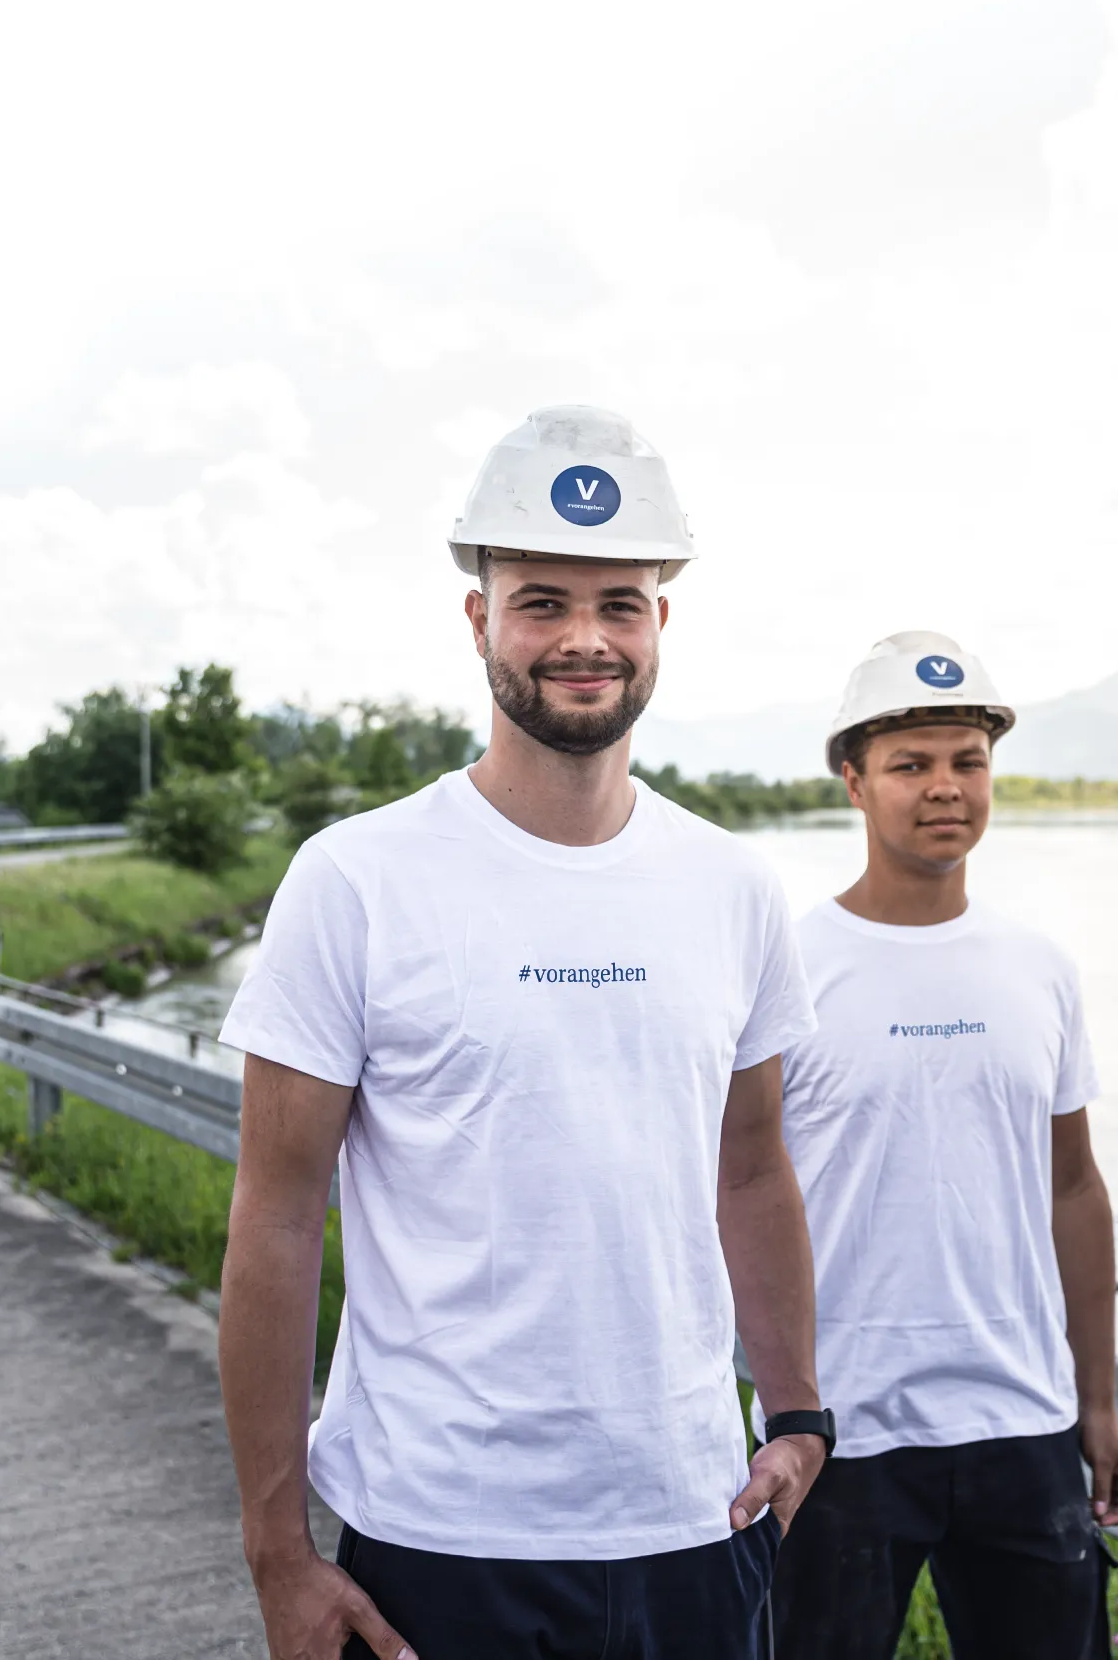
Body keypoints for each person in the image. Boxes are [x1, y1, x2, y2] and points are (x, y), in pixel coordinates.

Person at [216, 405, 831, 1660]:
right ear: (478, 619)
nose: (583, 638)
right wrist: (279, 1555)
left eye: (620, 602)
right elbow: (275, 1219)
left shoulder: (732, 888)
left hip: (694, 1522)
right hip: (440, 1542)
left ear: (664, 620)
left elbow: (753, 1170)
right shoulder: (357, 880)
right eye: (541, 601)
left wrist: (801, 1411)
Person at [765, 631, 1118, 1660]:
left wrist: (1095, 1403)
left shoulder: (1040, 968)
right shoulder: (789, 966)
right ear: (854, 782)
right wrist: (764, 1405)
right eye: (911, 764)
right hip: (842, 1432)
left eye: (967, 761)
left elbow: (1073, 1190)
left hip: (1021, 1419)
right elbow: (736, 1195)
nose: (946, 788)